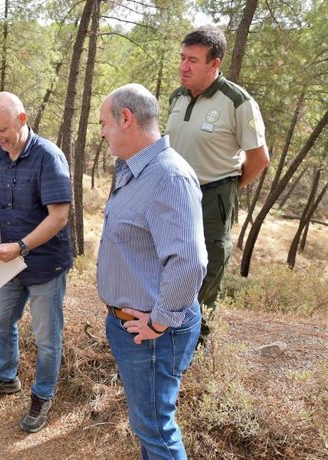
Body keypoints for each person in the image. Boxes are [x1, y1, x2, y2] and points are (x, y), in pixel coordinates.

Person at [97, 84, 207, 458]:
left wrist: (159, 322)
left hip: (152, 333)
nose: (101, 132)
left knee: (155, 428)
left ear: (125, 118)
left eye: (103, 123)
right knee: (148, 425)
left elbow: (189, 262)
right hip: (132, 325)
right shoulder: (133, 170)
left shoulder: (169, 176)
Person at [0, 91, 72, 433]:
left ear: (23, 120)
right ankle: (5, 377)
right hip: (9, 261)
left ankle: (42, 396)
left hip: (44, 265)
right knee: (0, 319)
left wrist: (22, 247)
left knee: (46, 338)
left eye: (2, 130)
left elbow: (59, 217)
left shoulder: (48, 157)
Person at [165, 26, 269, 340]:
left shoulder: (237, 101)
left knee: (208, 264)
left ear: (214, 63)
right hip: (174, 193)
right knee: (171, 258)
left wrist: (229, 188)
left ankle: (199, 338)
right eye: (182, 58)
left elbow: (259, 158)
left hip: (213, 194)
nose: (184, 66)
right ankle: (167, 327)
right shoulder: (177, 97)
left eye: (193, 60)